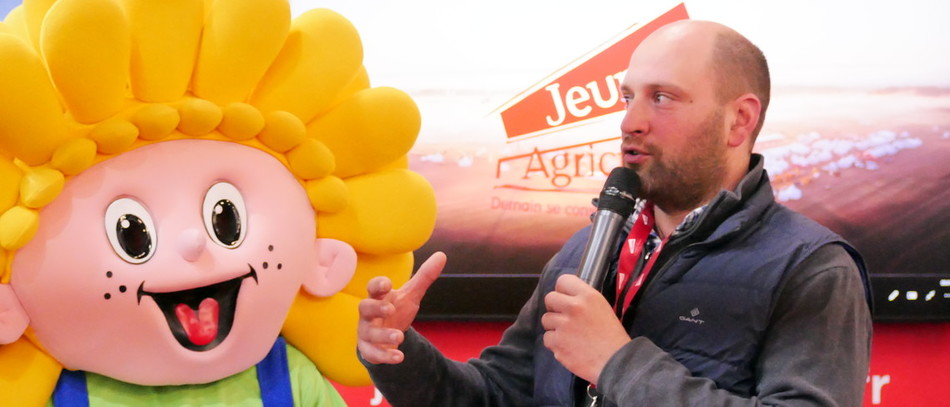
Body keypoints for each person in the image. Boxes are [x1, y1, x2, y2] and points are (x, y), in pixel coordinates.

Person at [357, 19, 873, 407]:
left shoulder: (811, 268)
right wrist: (397, 353)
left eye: (663, 98)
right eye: (627, 97)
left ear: (739, 121)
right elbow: (494, 394)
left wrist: (615, 362)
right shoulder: (585, 252)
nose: (630, 121)